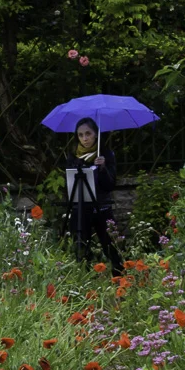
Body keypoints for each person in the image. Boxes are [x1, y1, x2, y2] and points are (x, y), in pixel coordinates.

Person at [65, 118, 124, 276]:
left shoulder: (106, 154)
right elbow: (69, 184)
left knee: (110, 245)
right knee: (80, 245)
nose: (85, 138)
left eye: (88, 134)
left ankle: (120, 278)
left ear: (96, 134)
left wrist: (103, 168)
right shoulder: (73, 156)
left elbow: (110, 184)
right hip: (81, 205)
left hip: (101, 205)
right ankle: (84, 278)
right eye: (80, 135)